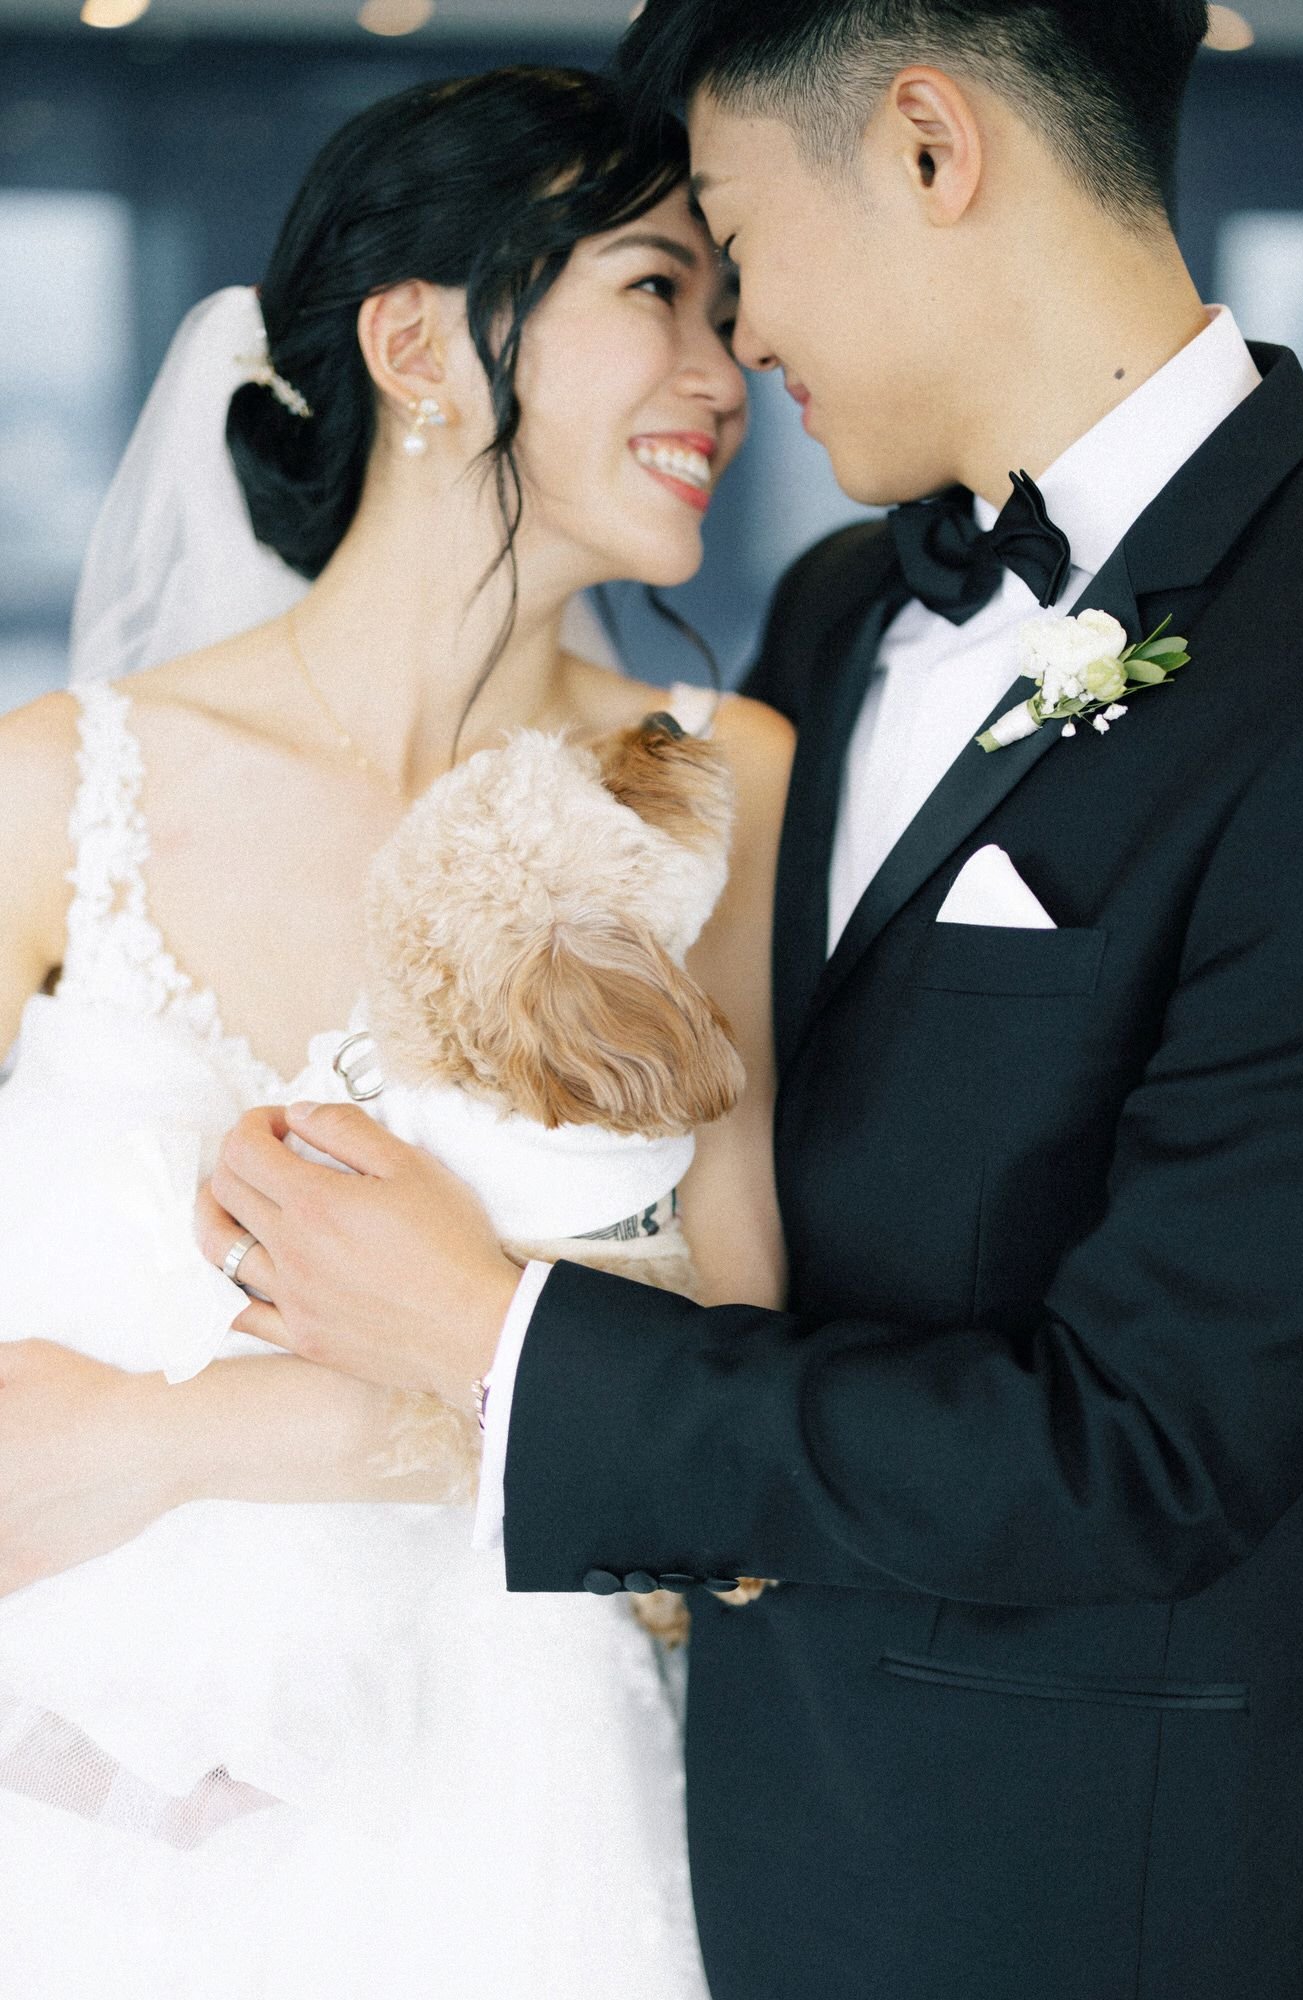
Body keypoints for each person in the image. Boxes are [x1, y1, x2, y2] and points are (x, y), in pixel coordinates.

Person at [201, 5, 1303, 1998]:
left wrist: (490, 1334)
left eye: (733, 243)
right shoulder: (827, 620)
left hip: (1067, 1907)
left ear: (925, 148)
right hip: (663, 1842)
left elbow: (1147, 1445)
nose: (735, 351)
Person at [0, 64, 795, 2000]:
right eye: (653, 289)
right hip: (74, 1816)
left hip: (526, 1822)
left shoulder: (715, 781)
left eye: (729, 300)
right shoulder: (55, 789)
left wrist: (493, 1379)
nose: (726, 364)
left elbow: (752, 1372)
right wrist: (210, 1433)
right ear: (419, 339)